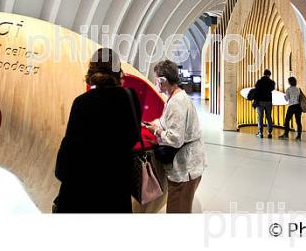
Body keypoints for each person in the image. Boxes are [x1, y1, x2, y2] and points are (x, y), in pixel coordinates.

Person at [53, 48, 141, 213]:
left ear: (91, 70)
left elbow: (69, 149)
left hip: (81, 191)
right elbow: (134, 137)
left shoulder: (81, 102)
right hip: (116, 189)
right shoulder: (130, 98)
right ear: (118, 70)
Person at [144, 60, 206, 213]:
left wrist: (156, 131)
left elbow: (175, 139)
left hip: (185, 169)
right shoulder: (175, 97)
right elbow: (166, 120)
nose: (155, 82)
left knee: (177, 211)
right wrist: (150, 124)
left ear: (163, 80)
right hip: (189, 166)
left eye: (156, 79)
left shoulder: (176, 103)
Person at [254, 69, 275, 138]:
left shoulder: (259, 82)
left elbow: (256, 90)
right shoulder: (272, 82)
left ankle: (260, 133)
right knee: (269, 117)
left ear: (263, 74)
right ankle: (269, 133)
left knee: (260, 117)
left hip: (260, 101)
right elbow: (272, 89)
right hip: (268, 101)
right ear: (269, 75)